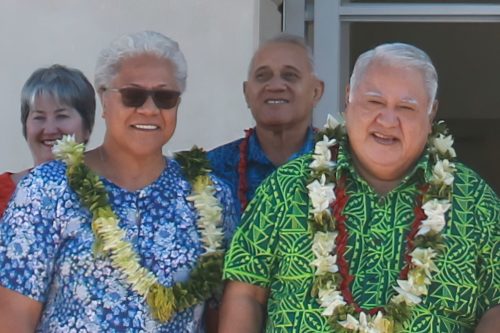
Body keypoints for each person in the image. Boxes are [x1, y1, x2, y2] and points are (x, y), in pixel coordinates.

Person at [220, 43, 499, 332]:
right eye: (374, 102)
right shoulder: (286, 187)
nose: (388, 120)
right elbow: (246, 293)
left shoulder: (474, 200)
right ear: (348, 99)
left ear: (431, 115)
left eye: (406, 107)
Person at [0, 31, 236, 332]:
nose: (149, 109)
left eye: (165, 98)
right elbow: (12, 318)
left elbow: (222, 316)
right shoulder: (47, 189)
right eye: (133, 95)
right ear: (104, 98)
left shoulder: (211, 197)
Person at [207, 33, 324, 217]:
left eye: (290, 76)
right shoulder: (210, 171)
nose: (275, 85)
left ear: (316, 92)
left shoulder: (343, 167)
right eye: (263, 76)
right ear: (246, 93)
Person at [0, 64, 95, 217]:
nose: (49, 129)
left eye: (62, 116)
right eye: (39, 117)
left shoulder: (109, 194)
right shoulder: (2, 193)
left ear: (87, 127)